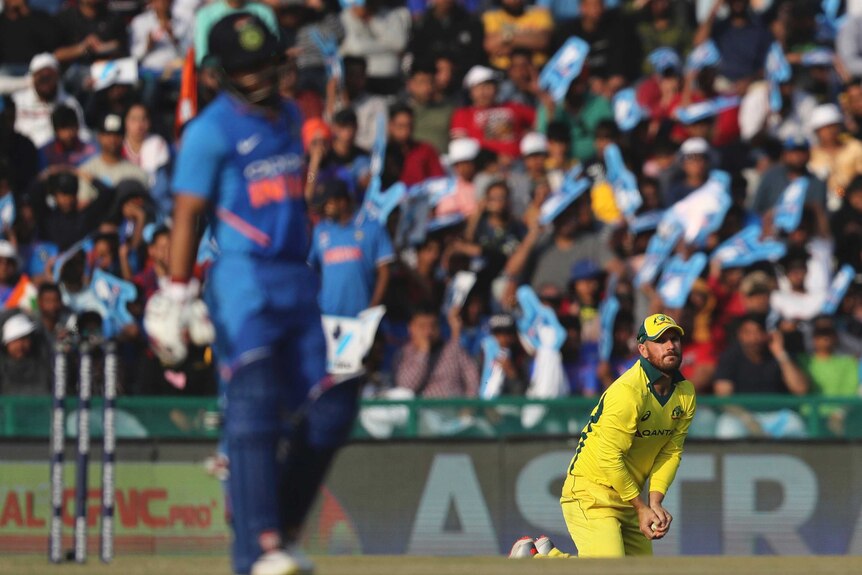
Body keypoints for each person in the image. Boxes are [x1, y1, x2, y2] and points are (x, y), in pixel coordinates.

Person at [143, 14, 358, 575]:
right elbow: (188, 212)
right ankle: (260, 548)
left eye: (264, 60)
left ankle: (279, 533)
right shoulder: (209, 131)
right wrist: (176, 292)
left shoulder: (288, 115)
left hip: (296, 277)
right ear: (219, 74)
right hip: (243, 279)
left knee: (332, 407)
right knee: (256, 397)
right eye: (244, 66)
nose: (258, 73)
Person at [550, 313, 695, 557]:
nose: (670, 345)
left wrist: (655, 502)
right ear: (643, 349)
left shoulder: (686, 392)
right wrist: (641, 507)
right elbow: (609, 458)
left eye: (674, 339)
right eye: (660, 340)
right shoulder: (628, 393)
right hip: (592, 493)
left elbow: (671, 451)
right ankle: (537, 561)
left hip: (628, 497)